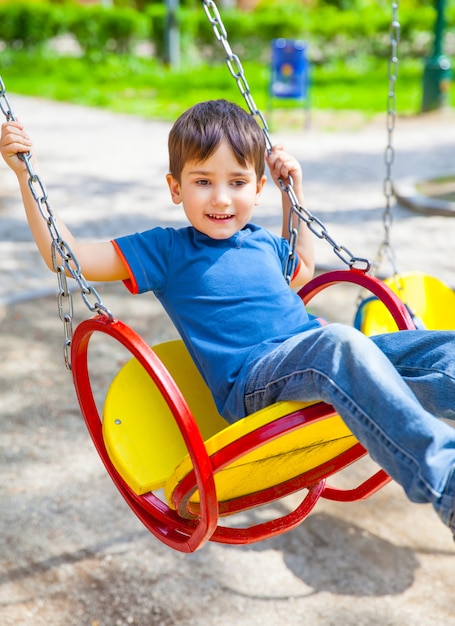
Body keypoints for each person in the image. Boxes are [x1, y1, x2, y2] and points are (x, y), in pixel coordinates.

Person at [1, 99, 454, 541]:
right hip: (255, 381)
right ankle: (443, 482)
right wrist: (26, 175)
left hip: (315, 359)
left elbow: (301, 271)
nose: (221, 198)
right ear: (176, 188)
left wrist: (292, 196)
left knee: (439, 348)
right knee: (340, 344)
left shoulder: (260, 242)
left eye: (237, 182)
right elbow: (70, 257)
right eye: (202, 181)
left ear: (257, 187)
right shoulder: (167, 249)